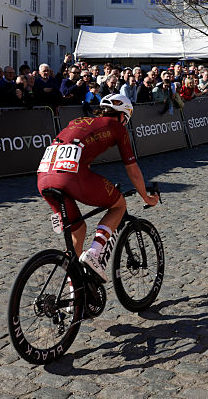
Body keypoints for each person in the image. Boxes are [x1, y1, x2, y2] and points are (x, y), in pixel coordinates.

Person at [37, 94, 159, 281]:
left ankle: (74, 293)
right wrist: (146, 197)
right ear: (123, 116)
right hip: (71, 177)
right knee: (119, 205)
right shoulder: (117, 127)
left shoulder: (77, 120)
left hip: (44, 177)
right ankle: (94, 253)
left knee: (77, 230)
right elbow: (133, 170)